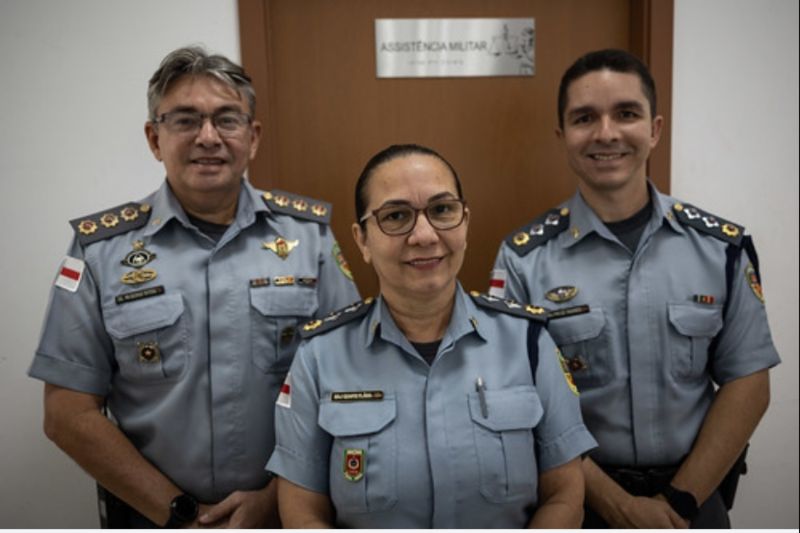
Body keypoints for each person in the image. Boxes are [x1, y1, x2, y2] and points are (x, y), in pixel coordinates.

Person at [28, 46, 359, 528]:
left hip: (285, 512)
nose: (208, 137)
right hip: (151, 517)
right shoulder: (99, 253)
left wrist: (273, 498)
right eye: (185, 120)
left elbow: (351, 384)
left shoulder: (309, 239)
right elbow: (67, 414)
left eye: (227, 119)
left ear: (254, 136)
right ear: (154, 138)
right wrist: (181, 514)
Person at [492, 48, 781, 528]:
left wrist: (680, 502)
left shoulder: (721, 249)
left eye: (626, 114)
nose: (606, 133)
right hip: (578, 500)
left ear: (655, 130)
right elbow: (521, 402)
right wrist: (618, 506)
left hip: (694, 498)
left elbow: (748, 380)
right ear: (563, 136)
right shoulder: (524, 260)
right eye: (585, 118)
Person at [266, 144, 596, 528]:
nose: (424, 235)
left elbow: (564, 494)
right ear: (362, 240)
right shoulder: (319, 357)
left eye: (442, 210)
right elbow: (302, 509)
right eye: (395, 216)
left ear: (465, 221)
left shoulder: (529, 344)